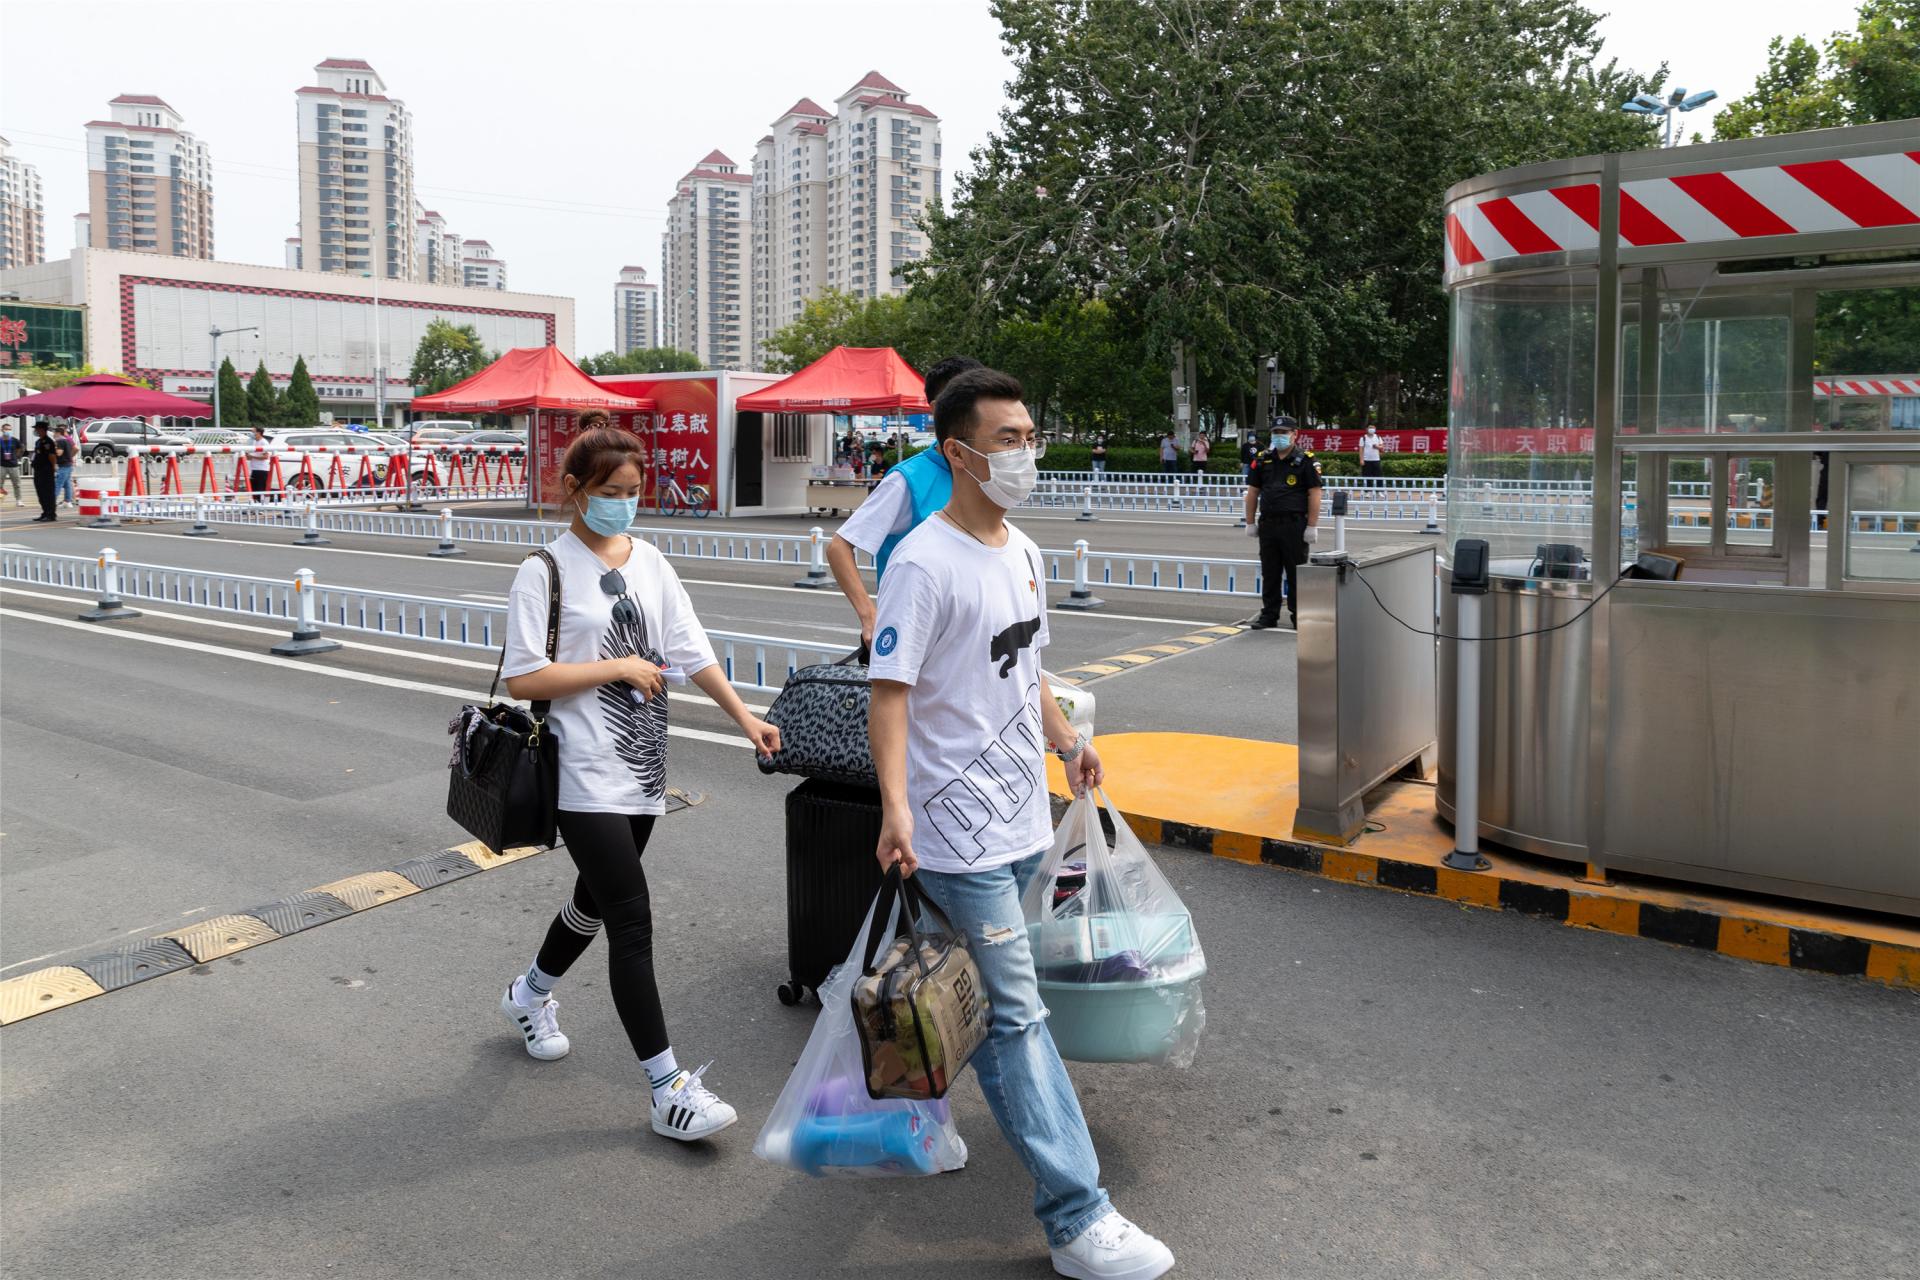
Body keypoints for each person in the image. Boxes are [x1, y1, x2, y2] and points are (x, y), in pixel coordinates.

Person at [868, 366, 1176, 1280]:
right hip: (952, 833)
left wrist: (1068, 741)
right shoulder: (922, 563)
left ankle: (912, 1116)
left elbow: (1028, 669)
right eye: (1008, 440)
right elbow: (890, 695)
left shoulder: (1027, 552)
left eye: (1030, 436)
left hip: (1021, 819)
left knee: (969, 995)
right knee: (1017, 1016)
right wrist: (895, 806)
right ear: (958, 453)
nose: (1026, 454)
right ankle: (1077, 1217)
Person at [496, 426, 781, 1141]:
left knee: (594, 902)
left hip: (643, 764)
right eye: (610, 492)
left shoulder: (650, 561)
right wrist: (616, 667)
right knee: (631, 918)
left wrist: (745, 718)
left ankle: (528, 994)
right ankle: (668, 1089)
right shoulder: (544, 570)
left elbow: (690, 647)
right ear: (575, 490)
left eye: (632, 492)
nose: (624, 504)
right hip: (579, 770)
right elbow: (524, 677)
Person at [826, 355, 982, 647]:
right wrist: (870, 616)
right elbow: (839, 547)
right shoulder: (907, 480)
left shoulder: (982, 471)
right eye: (966, 403)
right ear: (937, 409)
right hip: (917, 638)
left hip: (970, 634)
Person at [1244, 421, 1323, 630]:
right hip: (1268, 524)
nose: (1279, 436)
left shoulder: (1306, 460)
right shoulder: (1263, 459)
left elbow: (1315, 493)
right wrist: (1250, 522)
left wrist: (1312, 525)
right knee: (1270, 572)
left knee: (1296, 573)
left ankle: (1299, 616)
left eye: (1283, 432)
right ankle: (1269, 615)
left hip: (1294, 524)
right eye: (1275, 432)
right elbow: (1253, 491)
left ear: (1294, 434)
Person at [29, 423, 58, 522]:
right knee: (40, 492)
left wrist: (53, 467)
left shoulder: (48, 441)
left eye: (37, 429)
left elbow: (52, 456)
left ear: (42, 430)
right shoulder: (39, 441)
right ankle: (45, 512)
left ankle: (51, 514)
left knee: (47, 493)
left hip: (46, 471)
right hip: (38, 470)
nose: (36, 431)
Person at [246, 426, 274, 502]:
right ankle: (255, 504)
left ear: (258, 433)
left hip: (262, 469)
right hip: (254, 468)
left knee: (261, 489)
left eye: (253, 432)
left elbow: (266, 456)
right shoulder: (254, 442)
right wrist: (248, 455)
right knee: (254, 489)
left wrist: (252, 456)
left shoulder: (264, 442)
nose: (251, 433)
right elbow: (249, 457)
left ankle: (262, 504)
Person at [54, 426, 78, 508]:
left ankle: (52, 500)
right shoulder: (67, 440)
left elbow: (59, 453)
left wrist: (53, 450)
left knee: (58, 483)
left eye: (54, 433)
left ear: (58, 433)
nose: (53, 435)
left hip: (63, 465)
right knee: (67, 484)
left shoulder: (60, 441)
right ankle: (67, 501)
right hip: (68, 464)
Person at [0, 429, 21, 506]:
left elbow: (19, 449)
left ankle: (18, 500)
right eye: (6, 429)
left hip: (13, 465)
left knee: (17, 484)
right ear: (2, 430)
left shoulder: (15, 440)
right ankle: (0, 499)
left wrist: (16, 456)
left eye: (9, 429)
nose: (8, 431)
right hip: (1, 465)